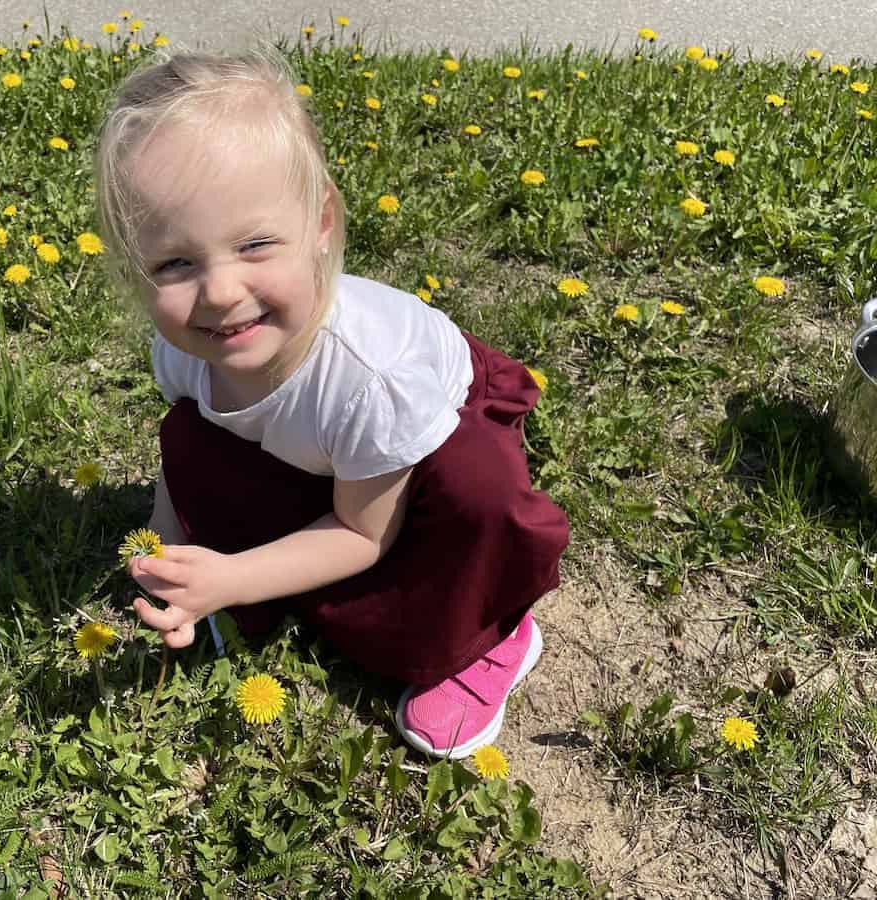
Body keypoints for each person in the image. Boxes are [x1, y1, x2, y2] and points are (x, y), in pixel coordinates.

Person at [94, 49, 569, 759]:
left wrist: (235, 578)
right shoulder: (191, 345)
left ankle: (492, 636)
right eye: (175, 263)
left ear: (321, 224)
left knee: (475, 500)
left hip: (431, 427)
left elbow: (361, 533)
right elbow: (181, 451)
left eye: (254, 244)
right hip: (324, 440)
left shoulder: (372, 378)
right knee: (191, 432)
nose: (220, 292)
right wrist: (174, 544)